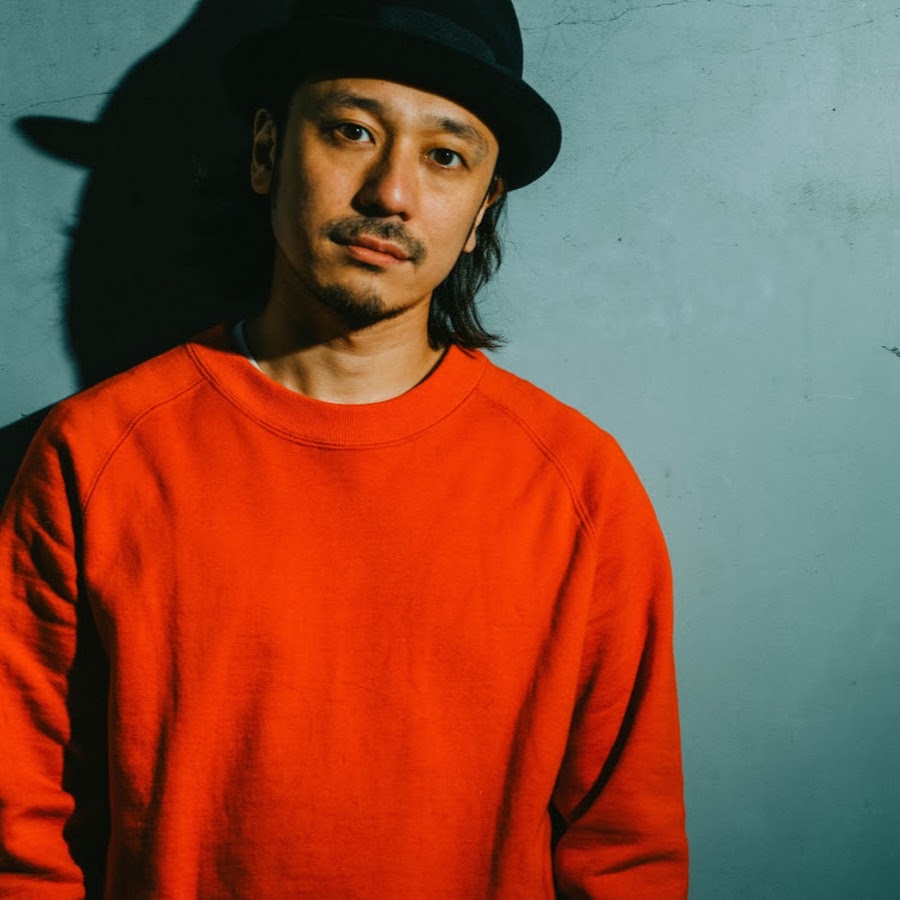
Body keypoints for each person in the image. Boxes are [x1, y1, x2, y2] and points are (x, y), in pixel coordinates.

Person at [0, 1, 689, 896]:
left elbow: (626, 852)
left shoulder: (577, 487)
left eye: (446, 156)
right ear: (266, 151)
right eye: (352, 131)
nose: (391, 193)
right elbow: (18, 826)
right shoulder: (93, 454)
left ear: (483, 208)